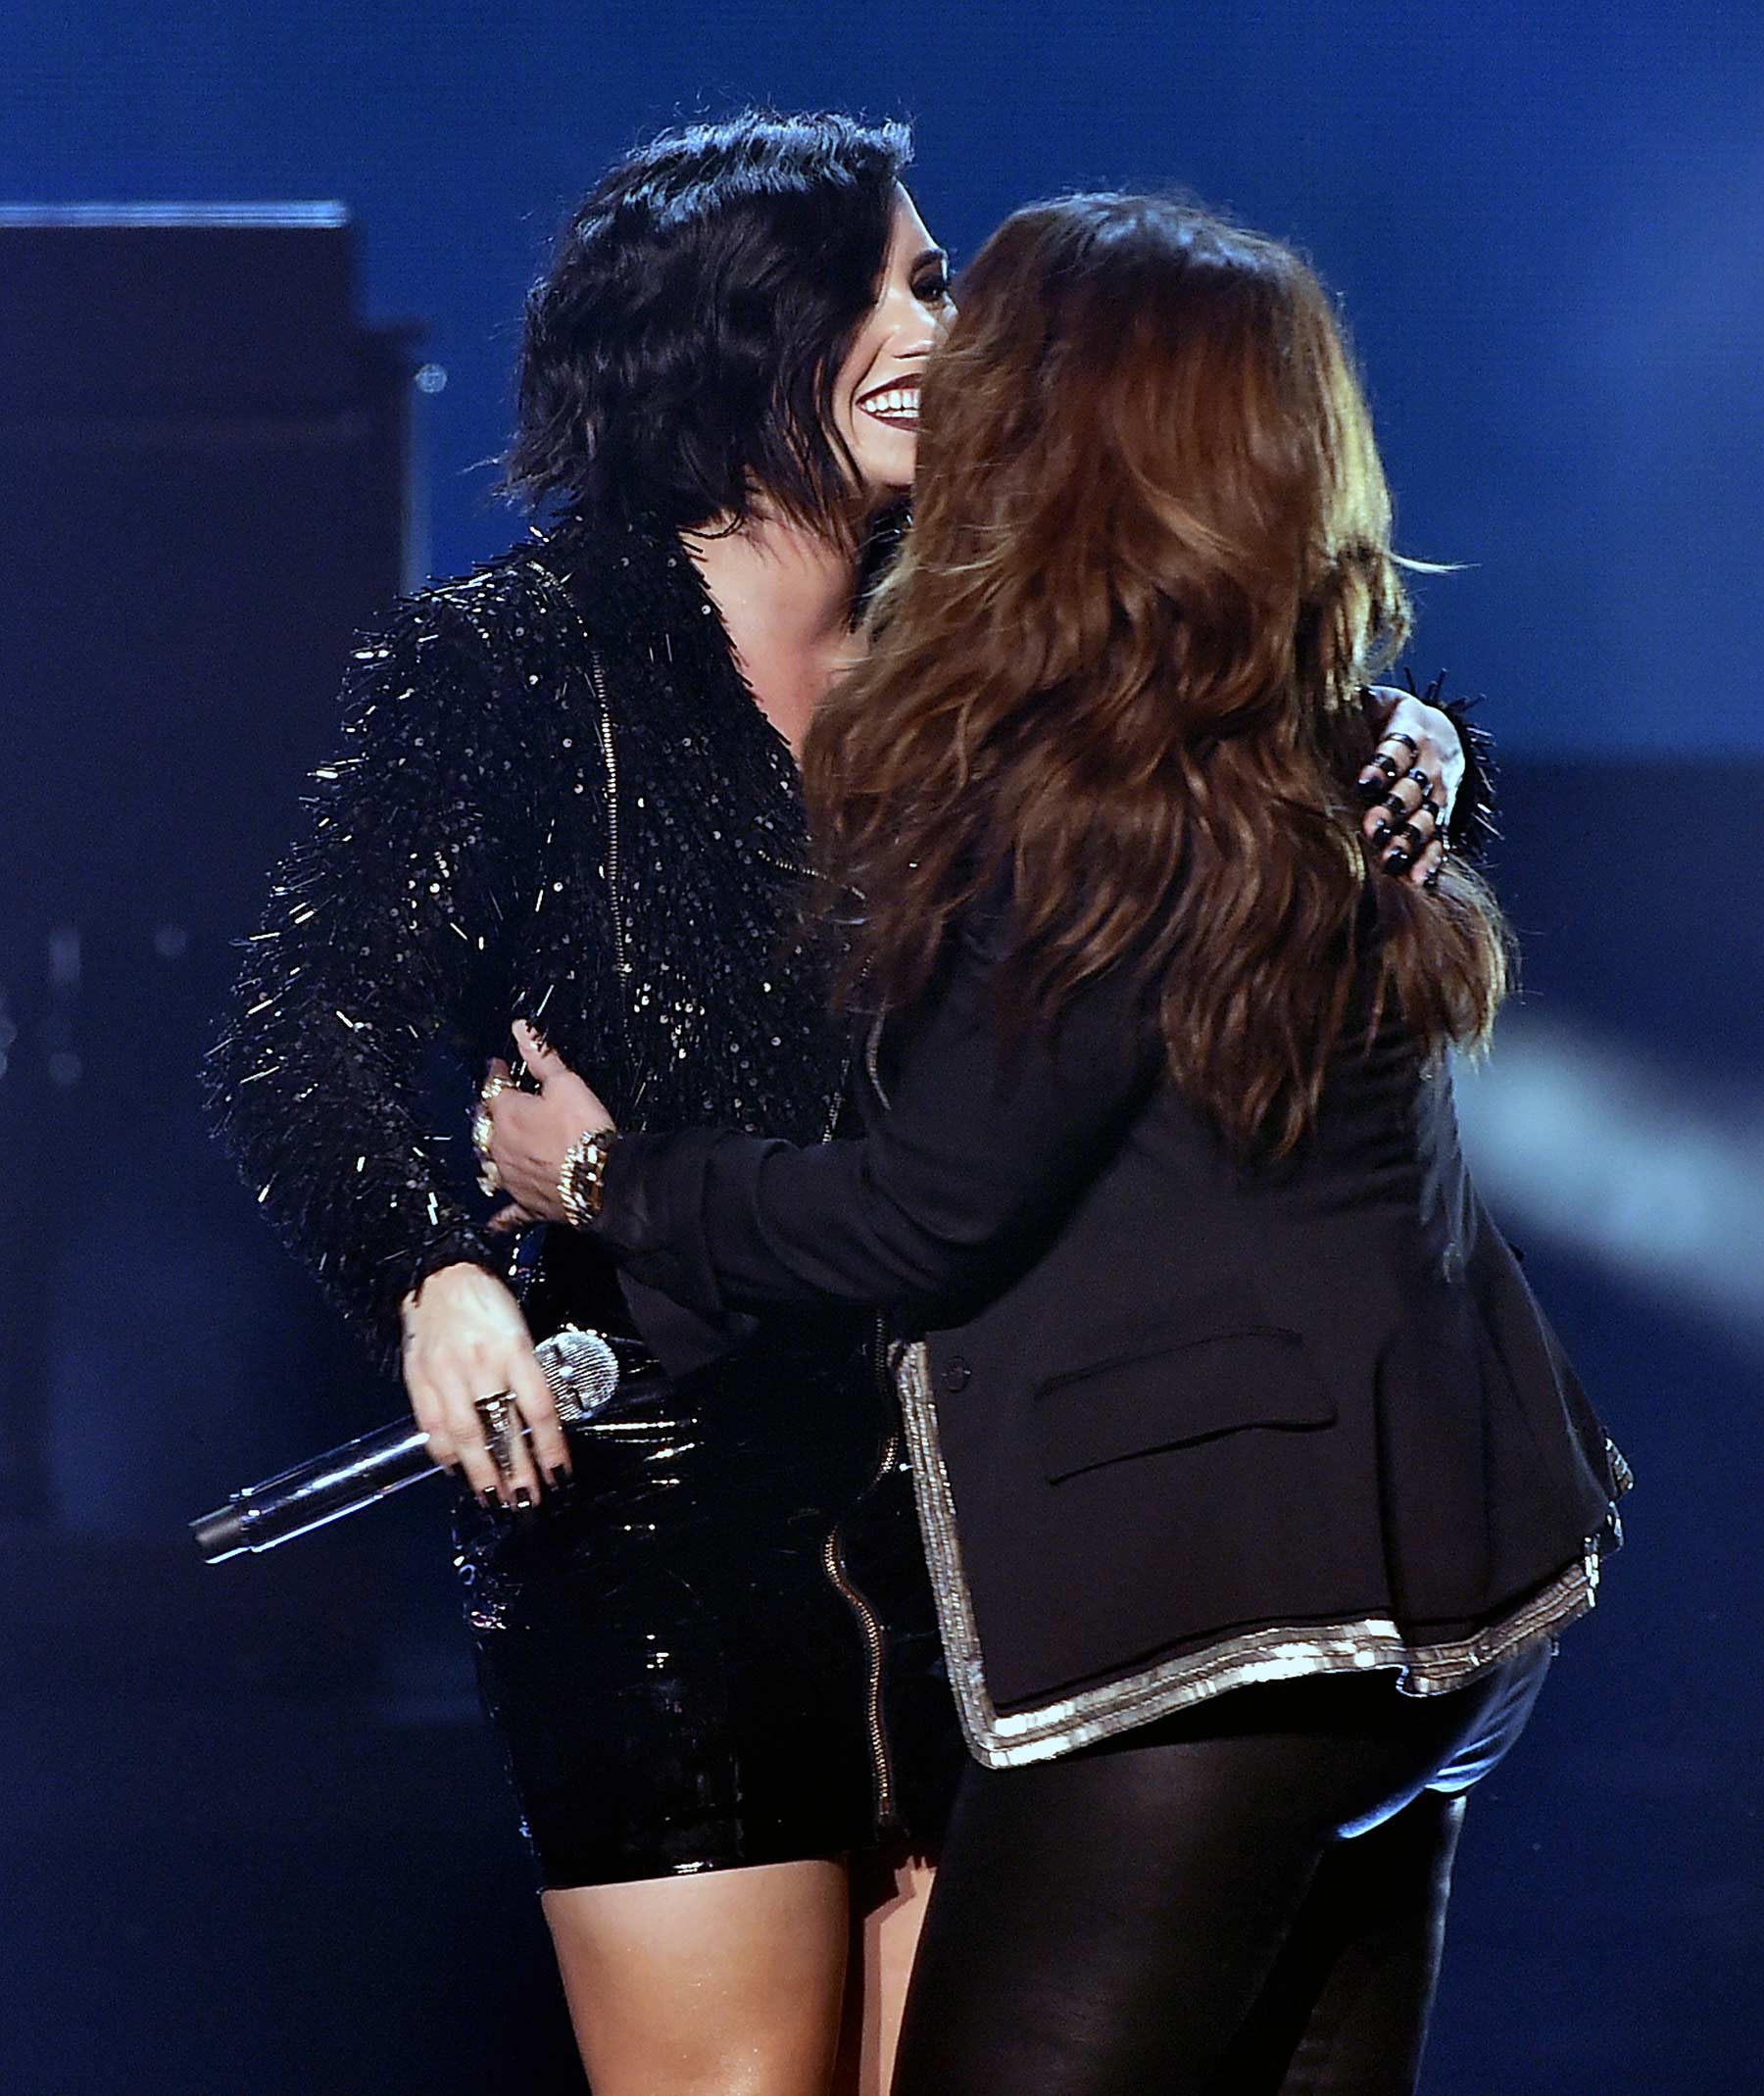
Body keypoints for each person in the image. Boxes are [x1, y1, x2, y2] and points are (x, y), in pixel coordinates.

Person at [480, 193, 1630, 2094]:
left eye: (972, 323)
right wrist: (1426, 738)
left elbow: (929, 1210)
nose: (939, 351)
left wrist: (601, 1174)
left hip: (1228, 1623)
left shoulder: (1089, 784)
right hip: (1452, 1596)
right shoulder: (1258, 707)